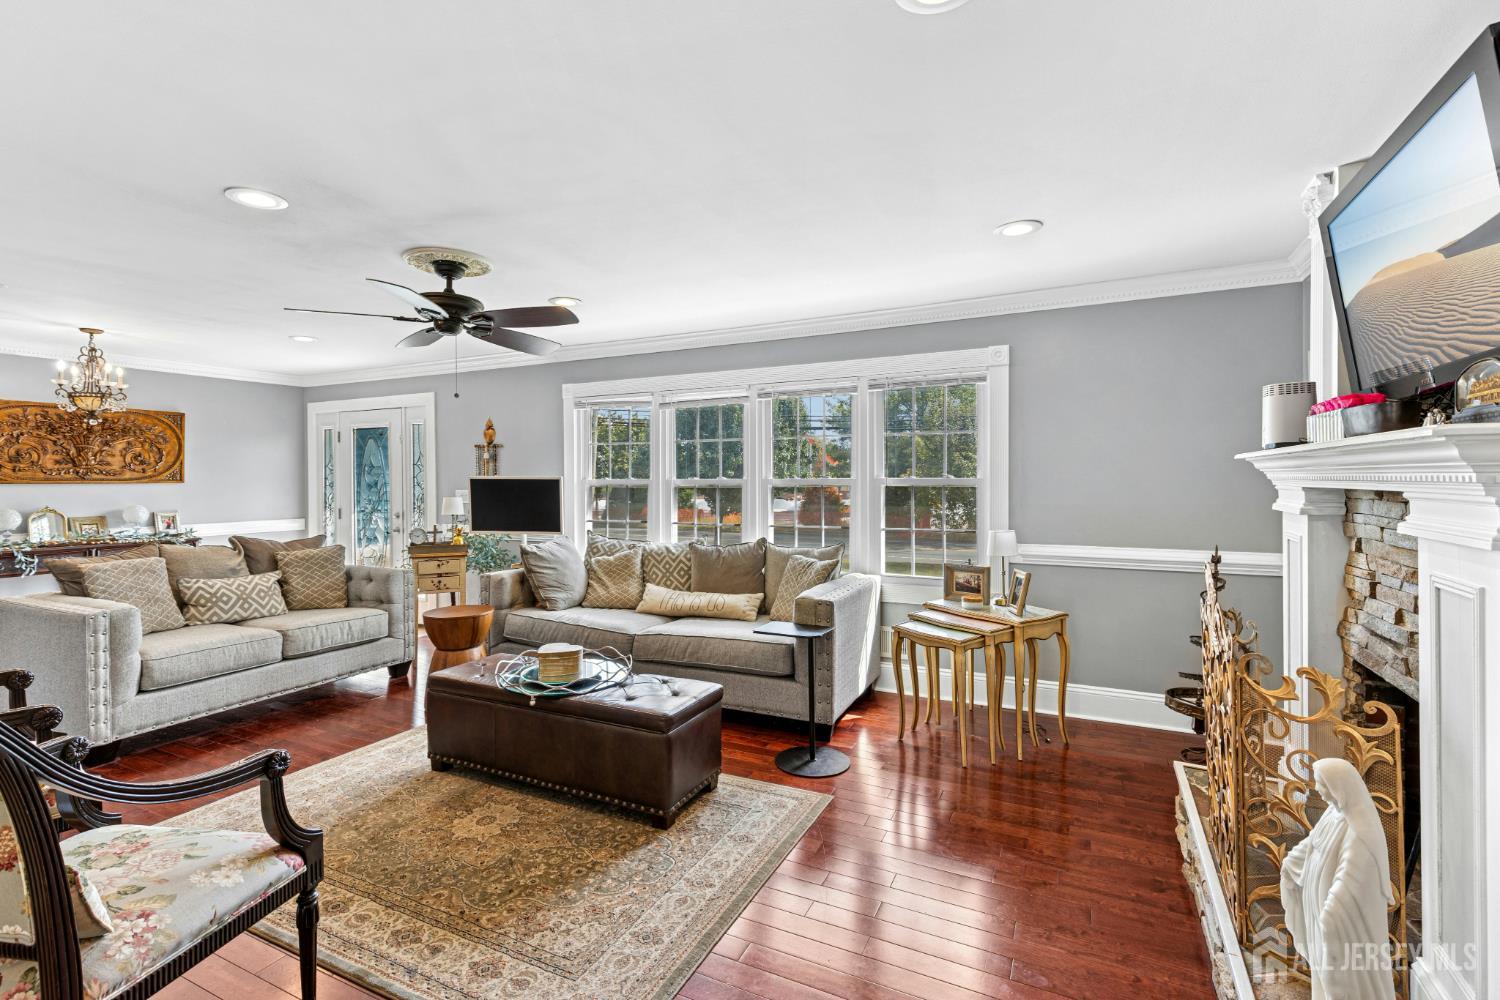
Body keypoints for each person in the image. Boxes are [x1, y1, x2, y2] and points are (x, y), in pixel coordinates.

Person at [1279, 757, 1396, 1000]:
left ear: (1338, 787)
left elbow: (1352, 876)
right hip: (1316, 907)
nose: (1318, 791)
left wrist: (1332, 911)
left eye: (1322, 785)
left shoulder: (1360, 830)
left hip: (1337, 919)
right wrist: (1292, 862)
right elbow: (1313, 844)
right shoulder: (1333, 814)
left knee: (1339, 973)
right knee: (1321, 970)